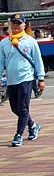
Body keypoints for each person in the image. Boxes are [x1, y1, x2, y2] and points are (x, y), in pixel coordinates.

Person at [0, 14, 45, 147]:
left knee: (23, 108)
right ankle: (33, 125)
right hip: (11, 80)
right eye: (13, 23)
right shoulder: (4, 43)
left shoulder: (30, 41)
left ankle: (18, 135)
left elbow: (38, 61)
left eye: (18, 23)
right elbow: (1, 62)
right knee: (15, 108)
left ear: (24, 25)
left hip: (26, 78)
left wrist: (41, 79)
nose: (15, 26)